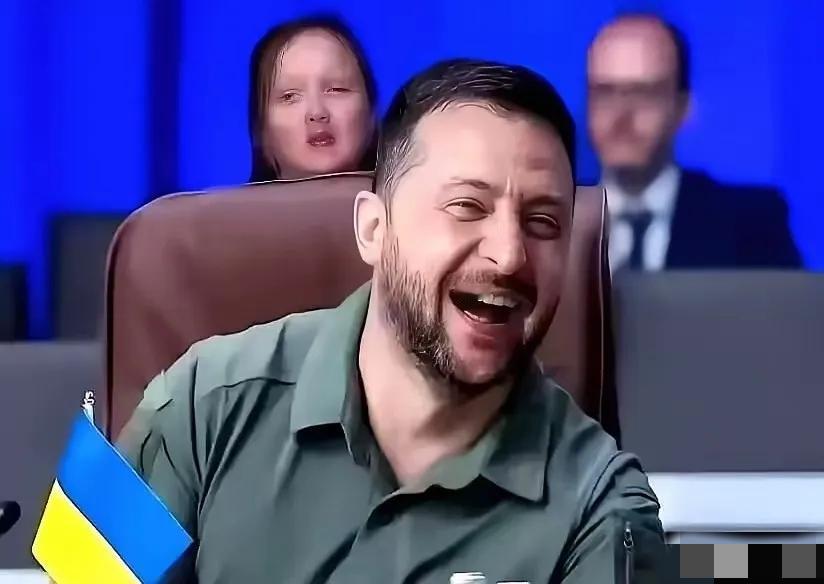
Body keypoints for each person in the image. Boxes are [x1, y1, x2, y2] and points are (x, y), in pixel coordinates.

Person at [119, 59, 668, 582]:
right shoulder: (193, 403)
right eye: (467, 207)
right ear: (373, 230)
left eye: (542, 222)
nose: (509, 255)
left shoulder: (607, 508)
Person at [587, 13, 803, 271]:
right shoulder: (554, 221)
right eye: (604, 92)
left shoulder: (753, 226)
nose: (622, 114)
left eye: (644, 93)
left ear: (682, 107)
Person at [248, 15, 378, 182]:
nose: (317, 112)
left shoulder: (405, 199)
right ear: (261, 130)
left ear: (372, 113)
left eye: (336, 89)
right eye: (289, 96)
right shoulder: (223, 200)